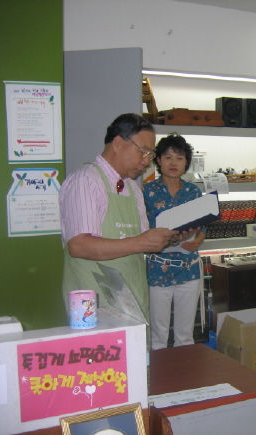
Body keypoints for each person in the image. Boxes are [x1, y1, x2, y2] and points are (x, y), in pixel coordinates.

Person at [59, 113, 182, 321]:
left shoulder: (132, 188)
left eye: (150, 154)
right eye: (143, 151)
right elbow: (79, 246)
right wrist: (141, 242)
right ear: (117, 143)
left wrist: (166, 239)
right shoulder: (86, 181)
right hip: (94, 307)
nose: (146, 161)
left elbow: (140, 241)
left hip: (133, 299)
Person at [144, 133, 206, 350]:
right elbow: (141, 229)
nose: (173, 163)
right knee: (158, 333)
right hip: (158, 267)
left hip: (188, 267)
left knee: (185, 334)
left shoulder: (193, 192)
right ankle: (159, 371)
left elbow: (202, 227)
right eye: (168, 157)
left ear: (186, 162)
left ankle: (185, 370)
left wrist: (198, 241)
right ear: (158, 160)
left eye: (179, 158)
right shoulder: (146, 192)